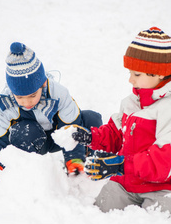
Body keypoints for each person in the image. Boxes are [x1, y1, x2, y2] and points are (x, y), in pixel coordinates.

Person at [72, 27, 171, 213]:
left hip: (162, 187)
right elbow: (116, 134)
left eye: (137, 74)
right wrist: (91, 137)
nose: (130, 80)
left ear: (158, 73)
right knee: (101, 212)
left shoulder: (168, 109)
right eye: (130, 73)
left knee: (158, 219)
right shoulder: (131, 103)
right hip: (126, 183)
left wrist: (120, 164)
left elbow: (164, 160)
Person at [0, 42, 102, 180]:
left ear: (43, 84)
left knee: (91, 119)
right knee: (24, 131)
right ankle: (29, 173)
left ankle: (87, 164)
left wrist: (74, 157)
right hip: (31, 141)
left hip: (59, 135)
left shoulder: (59, 94)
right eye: (20, 97)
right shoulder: (5, 105)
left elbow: (72, 128)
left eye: (33, 95)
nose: (27, 103)